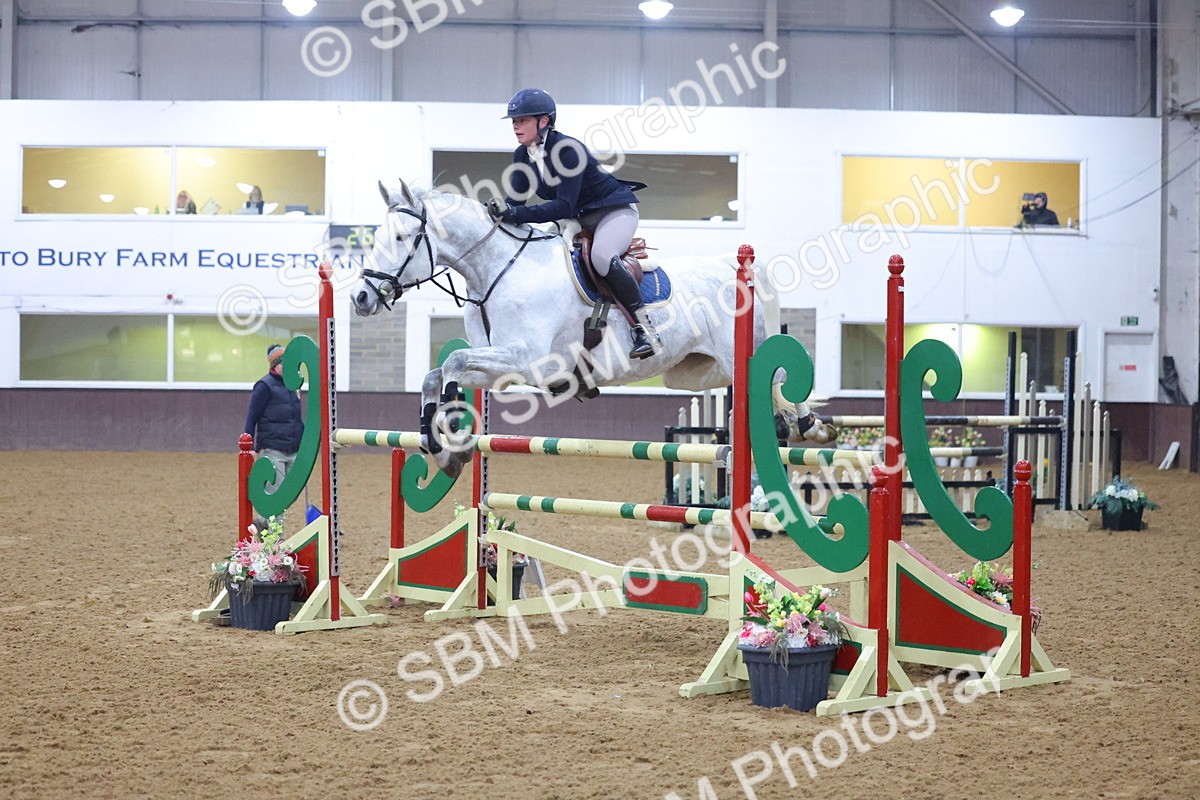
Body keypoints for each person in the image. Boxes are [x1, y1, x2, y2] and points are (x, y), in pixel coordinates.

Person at [491, 88, 658, 360]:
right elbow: (516, 203)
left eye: (521, 120)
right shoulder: (522, 155)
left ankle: (644, 328)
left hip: (613, 212)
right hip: (578, 218)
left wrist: (516, 214)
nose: (516, 126)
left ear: (543, 122)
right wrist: (500, 212)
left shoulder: (568, 150)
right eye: (513, 121)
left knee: (602, 257)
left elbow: (563, 205)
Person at [244, 343, 304, 530]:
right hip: (273, 448)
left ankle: (263, 521)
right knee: (276, 495)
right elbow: (252, 415)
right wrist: (250, 446)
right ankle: (275, 541)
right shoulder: (264, 386)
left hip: (293, 448)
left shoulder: (294, 385)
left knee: (288, 494)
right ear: (275, 365)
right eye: (284, 363)